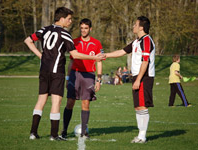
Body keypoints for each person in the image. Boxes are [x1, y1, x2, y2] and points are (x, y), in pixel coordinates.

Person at [24, 7, 104, 141]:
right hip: (57, 72)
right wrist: (94, 58)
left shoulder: (44, 29)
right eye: (69, 19)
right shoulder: (65, 33)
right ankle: (54, 135)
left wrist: (41, 56)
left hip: (43, 70)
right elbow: (75, 54)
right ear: (62, 19)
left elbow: (28, 40)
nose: (70, 21)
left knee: (41, 100)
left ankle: (33, 133)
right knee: (56, 102)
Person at [105, 16, 155, 143]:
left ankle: (142, 136)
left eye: (135, 24)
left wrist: (138, 79)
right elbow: (122, 51)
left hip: (144, 77)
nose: (133, 26)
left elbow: (145, 62)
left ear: (141, 27)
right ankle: (140, 136)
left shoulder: (147, 40)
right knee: (138, 106)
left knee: (142, 106)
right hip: (138, 77)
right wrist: (105, 55)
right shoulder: (136, 41)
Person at [59, 18, 103, 140]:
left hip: (89, 75)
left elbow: (99, 62)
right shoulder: (74, 42)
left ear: (90, 29)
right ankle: (64, 131)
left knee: (85, 103)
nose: (83, 30)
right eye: (82, 28)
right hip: (75, 74)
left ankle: (84, 132)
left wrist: (98, 80)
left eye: (86, 28)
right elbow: (70, 62)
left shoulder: (97, 43)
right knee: (70, 102)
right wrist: (68, 78)